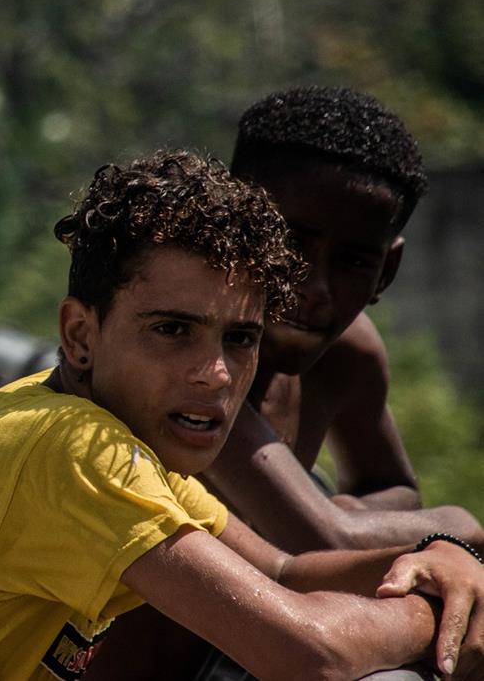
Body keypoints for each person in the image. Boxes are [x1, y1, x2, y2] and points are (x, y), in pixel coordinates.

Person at [0, 151, 484, 681]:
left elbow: (283, 569)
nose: (215, 373)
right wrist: (433, 615)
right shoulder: (73, 450)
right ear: (81, 335)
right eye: (172, 330)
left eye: (239, 339)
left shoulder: (69, 413)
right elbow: (307, 651)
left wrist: (434, 559)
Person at [82, 86, 484, 680]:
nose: (313, 287)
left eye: (352, 261)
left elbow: (388, 491)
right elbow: (321, 539)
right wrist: (461, 532)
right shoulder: (189, 385)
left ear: (388, 270)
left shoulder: (347, 355)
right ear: (236, 223)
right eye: (291, 242)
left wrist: (347, 513)